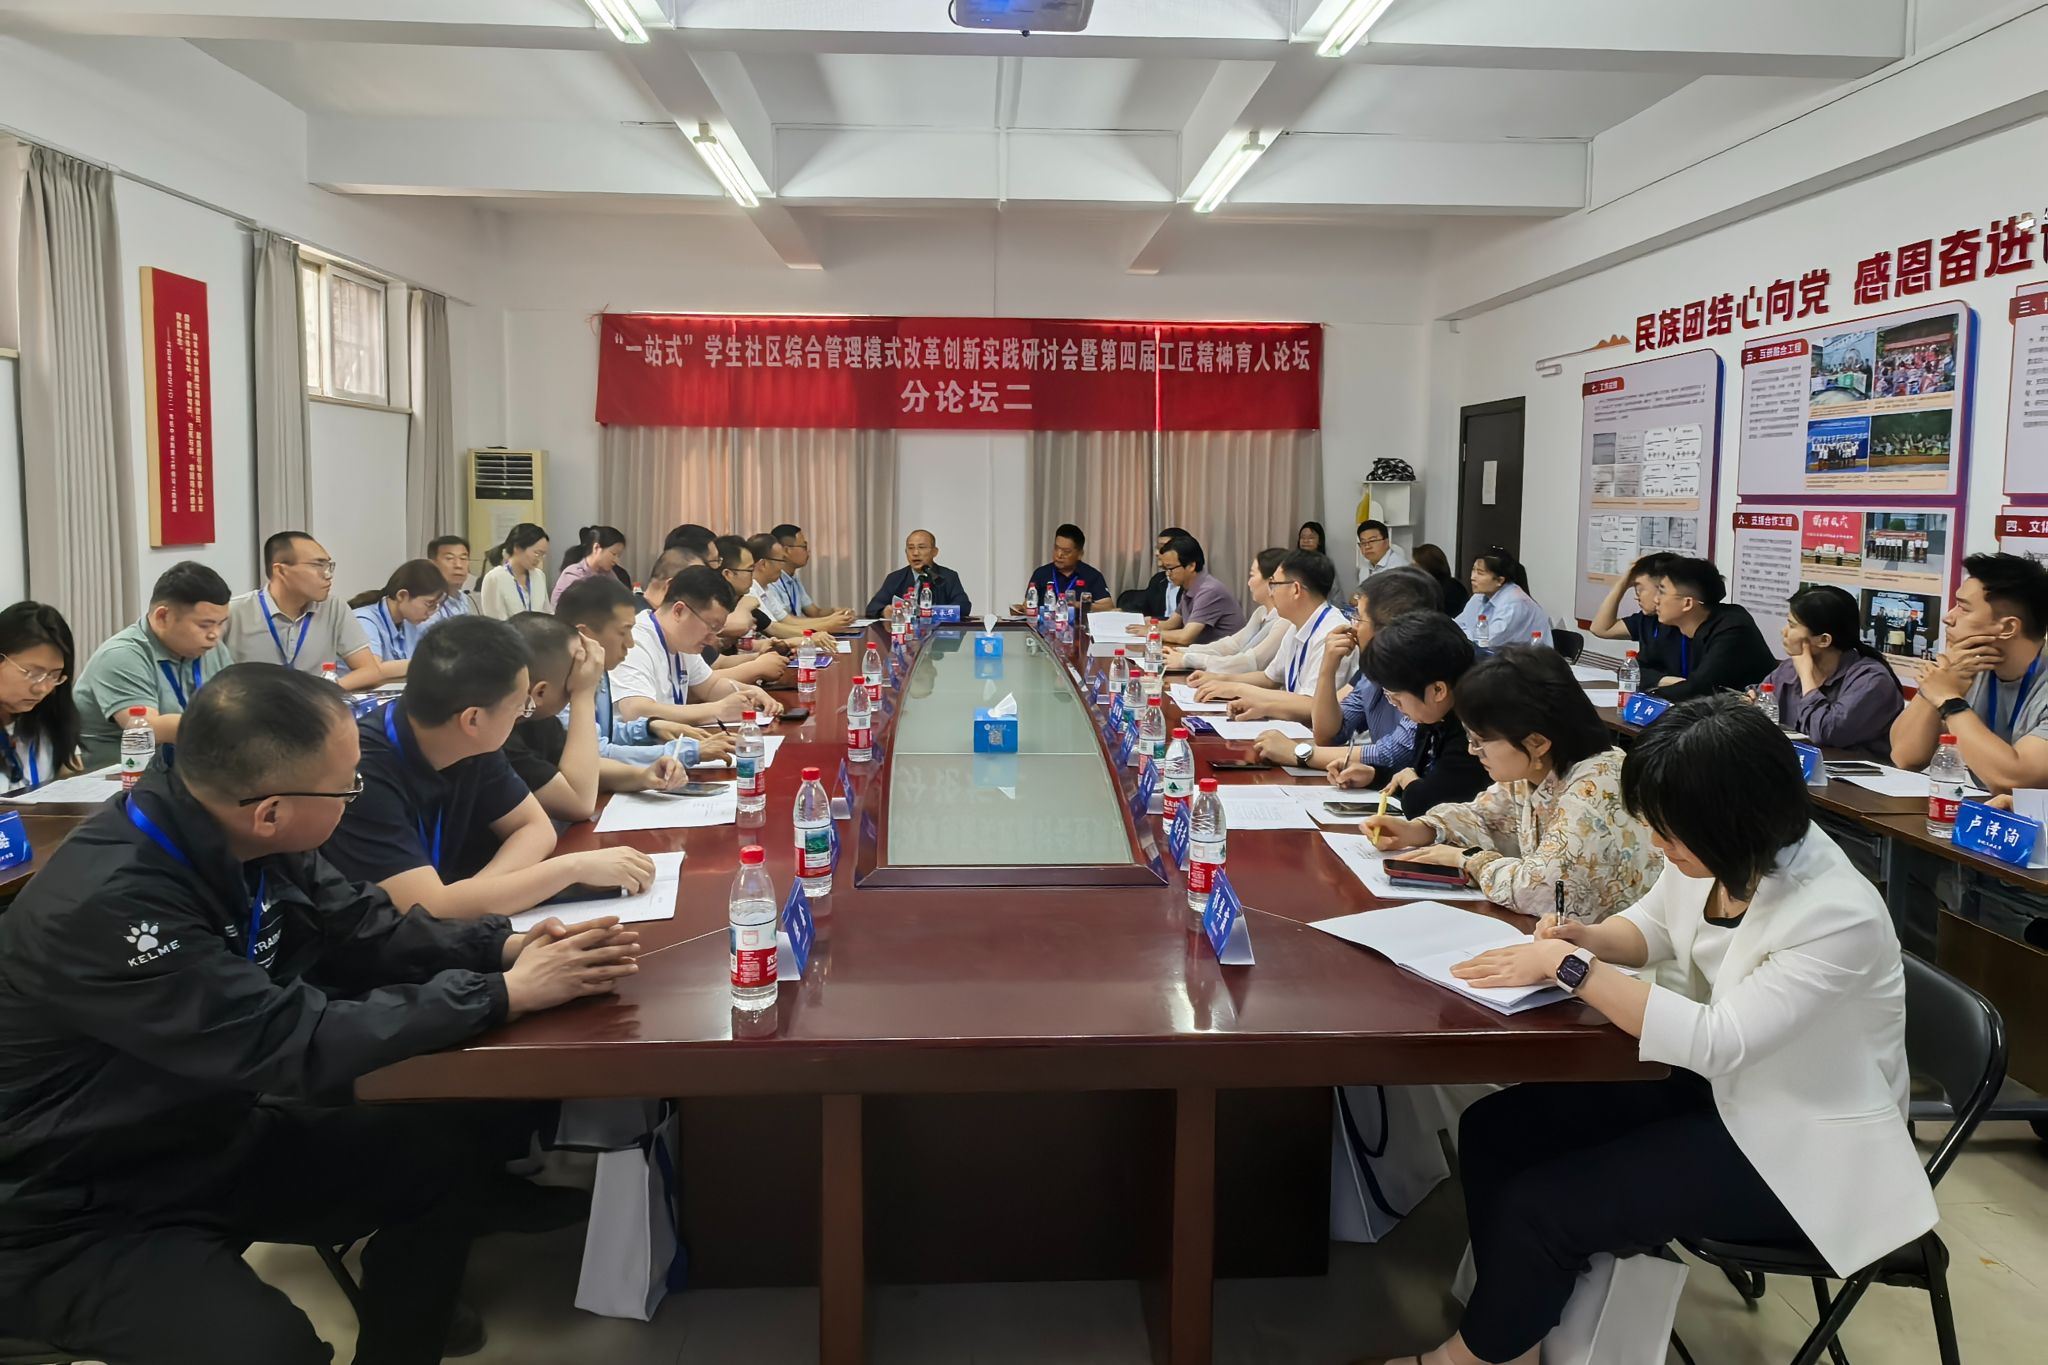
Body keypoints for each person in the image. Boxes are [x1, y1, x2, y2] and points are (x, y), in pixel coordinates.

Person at [0, 663, 643, 1364]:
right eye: (347, 787)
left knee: (440, 1156)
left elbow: (364, 925)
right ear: (271, 809)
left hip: (203, 1134)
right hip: (66, 1204)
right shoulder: (109, 902)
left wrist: (506, 948)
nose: (354, 793)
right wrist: (503, 993)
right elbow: (286, 1038)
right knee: (272, 1349)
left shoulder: (243, 832)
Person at [1419, 697, 1934, 1365]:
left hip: (1803, 1146)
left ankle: (1476, 1354)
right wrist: (1588, 937)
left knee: (1545, 1206)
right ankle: (1515, 1329)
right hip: (1721, 1093)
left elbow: (1717, 1039)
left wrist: (1570, 967)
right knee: (1494, 1129)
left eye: (1670, 835)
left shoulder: (1835, 915)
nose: (1660, 847)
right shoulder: (1716, 850)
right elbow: (1654, 925)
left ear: (1734, 821)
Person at [322, 615, 657, 920]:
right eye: (520, 705)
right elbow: (428, 910)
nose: (524, 714)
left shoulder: (471, 741)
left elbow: (534, 828)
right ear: (473, 719)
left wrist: (471, 896)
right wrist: (572, 869)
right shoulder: (360, 772)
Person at [1361, 646, 1662, 920]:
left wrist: (1469, 861)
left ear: (1537, 742)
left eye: (1479, 742)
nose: (1472, 751)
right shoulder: (1538, 769)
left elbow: (1542, 890)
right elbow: (1486, 817)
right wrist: (1422, 829)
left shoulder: (1597, 787)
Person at [1253, 564, 1437, 783]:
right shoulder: (1372, 673)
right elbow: (1329, 735)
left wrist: (1298, 753)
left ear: (1388, 629)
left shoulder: (1427, 673)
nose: (1352, 626)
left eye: (1358, 617)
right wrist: (1327, 668)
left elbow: (1392, 753)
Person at [503, 613, 688, 822]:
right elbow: (578, 802)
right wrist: (583, 693)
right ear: (540, 692)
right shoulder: (502, 739)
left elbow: (585, 768)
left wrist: (643, 776)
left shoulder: (541, 720)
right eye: (574, 679)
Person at [1892, 551, 2048, 792]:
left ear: (2007, 627)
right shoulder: (1967, 665)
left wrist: (1949, 701)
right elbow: (1905, 756)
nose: (1948, 617)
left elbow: (2015, 781)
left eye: (1963, 609)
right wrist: (1937, 682)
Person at [555, 576, 732, 770]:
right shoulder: (557, 685)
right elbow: (596, 754)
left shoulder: (596, 671)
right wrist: (688, 752)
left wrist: (649, 727)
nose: (630, 643)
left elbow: (605, 732)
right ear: (584, 635)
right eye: (623, 632)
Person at [72, 563, 235, 769]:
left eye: (221, 623)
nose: (215, 634)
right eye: (204, 625)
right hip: (119, 778)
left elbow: (234, 701)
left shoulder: (212, 649)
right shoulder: (121, 655)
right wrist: (232, 724)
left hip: (188, 770)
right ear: (162, 617)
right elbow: (147, 729)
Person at [613, 565, 784, 730]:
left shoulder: (681, 641)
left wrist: (752, 691)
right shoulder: (635, 640)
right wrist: (718, 710)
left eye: (718, 630)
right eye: (711, 626)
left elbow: (710, 686)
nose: (712, 638)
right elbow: (636, 711)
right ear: (679, 611)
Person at [1354, 610, 1490, 817]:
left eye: (1396, 698)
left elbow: (1429, 805)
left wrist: (1410, 782)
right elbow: (1423, 778)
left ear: (1437, 690)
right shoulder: (1435, 714)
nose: (1396, 706)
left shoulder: (1475, 725)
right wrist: (1376, 776)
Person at [1189, 550, 1348, 722]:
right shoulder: (1296, 625)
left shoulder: (1332, 633)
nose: (1271, 593)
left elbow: (1313, 705)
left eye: (1274, 585)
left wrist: (1236, 689)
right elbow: (1269, 678)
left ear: (1295, 589)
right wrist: (1221, 679)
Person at [1759, 585, 1905, 761]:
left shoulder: (1872, 680)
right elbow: (1760, 696)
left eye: (1792, 625)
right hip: (1796, 767)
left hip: (1854, 775)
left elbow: (1825, 733)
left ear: (1824, 640)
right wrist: (1749, 700)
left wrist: (1806, 677)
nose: (1784, 632)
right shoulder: (1789, 669)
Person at [226, 531, 382, 690]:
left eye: (328, 566)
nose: (328, 575)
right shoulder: (234, 612)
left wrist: (319, 693)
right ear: (280, 571)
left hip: (314, 702)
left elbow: (370, 672)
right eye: (318, 566)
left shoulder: (334, 608)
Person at [1645, 556, 1775, 701]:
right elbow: (1637, 669)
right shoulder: (1672, 626)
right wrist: (1666, 681)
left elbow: (1699, 688)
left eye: (1662, 592)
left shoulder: (1733, 628)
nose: (1656, 600)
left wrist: (1649, 696)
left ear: (1687, 603)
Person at [0, 602, 79, 796]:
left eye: (54, 675)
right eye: (33, 673)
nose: (43, 688)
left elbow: (73, 783)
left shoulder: (50, 717)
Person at [1169, 548, 1289, 674]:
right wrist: (1183, 652)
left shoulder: (1284, 620)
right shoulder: (1261, 612)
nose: (1249, 583)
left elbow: (1251, 663)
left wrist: (1189, 659)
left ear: (1271, 581)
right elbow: (1232, 645)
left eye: (1252, 575)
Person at [1129, 534, 1244, 647]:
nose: (1168, 574)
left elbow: (1185, 637)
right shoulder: (1189, 587)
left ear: (1191, 566)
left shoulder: (1209, 591)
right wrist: (1141, 626)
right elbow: (1171, 623)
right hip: (1204, 652)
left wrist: (1150, 632)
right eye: (1166, 569)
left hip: (1224, 656)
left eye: (1171, 569)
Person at [1588, 551, 1680, 681]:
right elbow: (1600, 629)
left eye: (1639, 590)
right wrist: (1622, 584)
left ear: (1663, 588)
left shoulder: (1685, 625)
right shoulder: (1647, 619)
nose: (1637, 597)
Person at [347, 559, 447, 672]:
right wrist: (424, 664)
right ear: (402, 595)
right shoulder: (364, 621)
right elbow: (373, 670)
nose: (431, 612)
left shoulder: (412, 623)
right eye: (429, 604)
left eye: (436, 606)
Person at [862, 529, 973, 619]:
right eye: (910, 548)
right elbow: (872, 608)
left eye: (921, 547)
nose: (915, 553)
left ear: (934, 552)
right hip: (904, 634)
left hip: (938, 635)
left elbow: (964, 607)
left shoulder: (948, 576)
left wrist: (929, 612)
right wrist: (884, 611)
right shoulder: (895, 578)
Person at [1454, 548, 1551, 649]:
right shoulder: (1479, 596)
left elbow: (1488, 642)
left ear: (1499, 580)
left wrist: (1464, 635)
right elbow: (1455, 627)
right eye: (1473, 570)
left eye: (1480, 573)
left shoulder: (1514, 603)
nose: (1472, 577)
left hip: (1528, 658)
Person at [1014, 522, 1112, 613]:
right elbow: (1027, 605)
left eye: (1066, 551)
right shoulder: (1041, 573)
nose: (1059, 554)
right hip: (1045, 624)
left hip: (1078, 625)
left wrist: (1079, 605)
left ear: (1080, 554)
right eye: (1056, 548)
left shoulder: (1092, 576)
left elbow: (1108, 606)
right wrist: (1020, 610)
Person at [768, 524, 856, 622]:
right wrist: (830, 621)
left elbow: (815, 612)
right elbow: (785, 621)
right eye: (804, 547)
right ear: (786, 550)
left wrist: (837, 611)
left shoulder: (793, 578)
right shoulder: (771, 582)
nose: (808, 551)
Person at [478, 522, 550, 619]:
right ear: (517, 548)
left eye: (543, 555)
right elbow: (494, 621)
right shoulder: (494, 578)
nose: (539, 559)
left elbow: (547, 613)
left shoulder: (539, 576)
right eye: (537, 553)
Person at [1115, 527, 1191, 617]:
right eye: (1157, 548)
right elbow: (1144, 607)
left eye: (1163, 548)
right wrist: (1121, 611)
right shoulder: (1158, 579)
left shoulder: (1192, 582)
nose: (1157, 553)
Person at [548, 525, 626, 609]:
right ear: (596, 548)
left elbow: (623, 597)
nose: (616, 560)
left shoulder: (608, 573)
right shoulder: (573, 574)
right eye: (614, 554)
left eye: (619, 556)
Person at [424, 534, 479, 628]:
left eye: (463, 558)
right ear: (432, 564)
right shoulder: (425, 604)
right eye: (449, 558)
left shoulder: (468, 600)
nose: (458, 565)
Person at [1411, 542, 1469, 617]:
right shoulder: (1453, 585)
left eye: (1415, 566)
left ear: (1427, 566)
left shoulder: (1442, 590)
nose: (1411, 569)